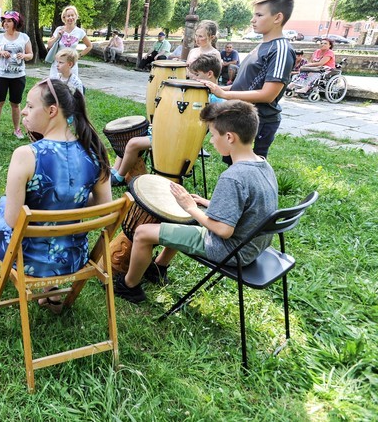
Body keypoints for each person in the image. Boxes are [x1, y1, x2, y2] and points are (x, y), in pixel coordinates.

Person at [112, 100, 278, 304]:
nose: (211, 141)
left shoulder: (234, 176)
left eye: (213, 134)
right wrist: (205, 203)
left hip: (229, 250)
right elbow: (249, 206)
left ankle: (129, 286)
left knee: (143, 233)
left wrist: (190, 208)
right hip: (252, 246)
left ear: (229, 137)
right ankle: (158, 268)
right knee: (187, 214)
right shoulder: (262, 164)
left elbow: (223, 230)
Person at [0, 78, 112, 313]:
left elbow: (12, 221)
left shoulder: (26, 154)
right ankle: (50, 294)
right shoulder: (94, 150)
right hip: (73, 258)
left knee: (6, 204)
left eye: (30, 106)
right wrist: (71, 198)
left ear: (52, 111)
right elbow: (103, 206)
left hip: (29, 261)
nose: (25, 112)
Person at [200, 0, 296, 162]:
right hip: (241, 116)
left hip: (259, 121)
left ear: (277, 18)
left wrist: (225, 95)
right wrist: (218, 89)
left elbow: (268, 94)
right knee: (234, 166)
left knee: (249, 170)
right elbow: (244, 85)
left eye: (259, 15)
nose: (253, 19)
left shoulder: (281, 49)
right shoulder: (261, 45)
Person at [109, 54, 222, 187]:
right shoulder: (195, 92)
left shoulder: (214, 99)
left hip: (177, 141)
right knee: (130, 132)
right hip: (168, 131)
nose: (192, 78)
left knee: (133, 143)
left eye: (196, 74)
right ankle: (115, 170)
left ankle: (119, 177)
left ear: (209, 74)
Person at [0, 10, 33, 140]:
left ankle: (17, 129)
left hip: (18, 77)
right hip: (1, 75)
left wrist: (24, 55)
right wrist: (1, 52)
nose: (5, 23)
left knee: (15, 104)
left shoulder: (24, 37)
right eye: (4, 21)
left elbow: (30, 55)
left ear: (16, 22)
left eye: (9, 21)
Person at [45, 5, 92, 78]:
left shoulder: (80, 32)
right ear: (64, 18)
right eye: (68, 16)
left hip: (71, 64)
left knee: (71, 86)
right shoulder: (59, 29)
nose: (70, 18)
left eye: (72, 15)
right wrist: (58, 36)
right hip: (58, 64)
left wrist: (78, 55)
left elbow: (89, 46)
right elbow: (49, 45)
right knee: (55, 85)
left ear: (76, 16)